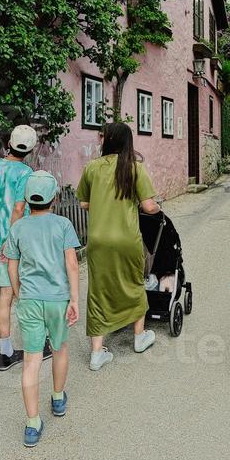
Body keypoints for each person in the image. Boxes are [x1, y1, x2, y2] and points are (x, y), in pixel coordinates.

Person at [3, 171, 80, 447]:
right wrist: (74, 299)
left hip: (30, 301)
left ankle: (32, 423)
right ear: (55, 199)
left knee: (32, 360)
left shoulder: (18, 228)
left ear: (28, 199)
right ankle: (58, 398)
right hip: (58, 299)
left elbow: (12, 264)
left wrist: (18, 292)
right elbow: (72, 264)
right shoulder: (63, 225)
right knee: (59, 349)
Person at [77, 121, 161, 371]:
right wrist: (156, 206)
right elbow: (148, 206)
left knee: (97, 290)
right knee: (134, 282)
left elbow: (83, 204)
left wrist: (102, 204)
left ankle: (96, 354)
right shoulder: (135, 168)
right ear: (128, 142)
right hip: (126, 240)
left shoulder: (92, 168)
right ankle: (139, 337)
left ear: (107, 141)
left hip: (98, 241)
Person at [0, 124, 50, 371]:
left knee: (5, 295)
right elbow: (19, 209)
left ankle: (5, 352)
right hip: (17, 243)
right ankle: (38, 345)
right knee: (28, 292)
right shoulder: (26, 174)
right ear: (30, 150)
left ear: (9, 143)